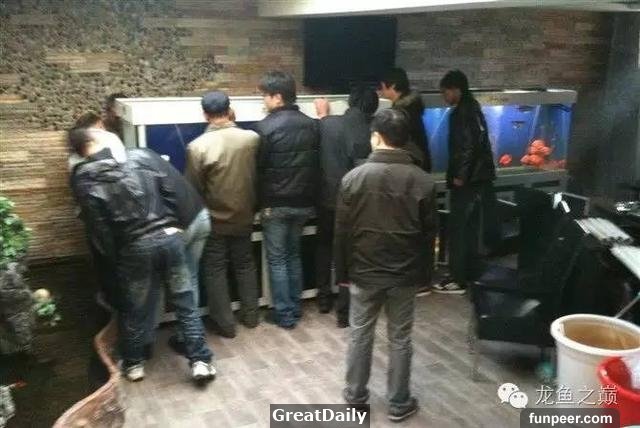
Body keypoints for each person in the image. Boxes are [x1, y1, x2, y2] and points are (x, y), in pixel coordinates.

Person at [68, 128, 215, 383]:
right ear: (94, 141)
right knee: (185, 302)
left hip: (134, 248)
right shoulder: (141, 155)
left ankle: (134, 365)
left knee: (135, 307)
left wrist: (117, 260)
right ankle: (200, 362)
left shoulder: (83, 179)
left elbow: (100, 230)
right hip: (169, 238)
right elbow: (169, 191)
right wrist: (174, 226)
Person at [335, 109, 437, 423]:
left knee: (360, 334)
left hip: (364, 272)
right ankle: (398, 402)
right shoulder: (424, 181)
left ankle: (355, 396)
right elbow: (429, 236)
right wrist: (425, 277)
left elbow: (342, 232)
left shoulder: (353, 179)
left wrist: (343, 274)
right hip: (404, 275)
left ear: (376, 137)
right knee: (400, 338)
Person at [185, 91, 260, 338]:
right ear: (229, 110)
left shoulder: (197, 147)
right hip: (245, 215)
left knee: (215, 270)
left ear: (205, 114)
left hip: (215, 219)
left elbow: (193, 188)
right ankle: (251, 316)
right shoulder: (251, 139)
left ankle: (225, 325)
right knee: (245, 264)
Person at [127, 148, 211, 354]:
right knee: (189, 280)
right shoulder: (153, 158)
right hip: (201, 217)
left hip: (178, 228)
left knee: (153, 283)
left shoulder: (127, 172)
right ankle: (187, 339)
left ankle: (145, 342)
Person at [256, 71, 320, 329]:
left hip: (276, 204)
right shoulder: (311, 124)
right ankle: (295, 306)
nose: (263, 101)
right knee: (294, 255)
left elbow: (259, 168)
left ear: (278, 97)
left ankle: (284, 314)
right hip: (304, 202)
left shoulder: (265, 127)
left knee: (278, 259)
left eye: (265, 96)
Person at [313, 85, 379, 328]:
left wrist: (323, 114)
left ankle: (323, 299)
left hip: (328, 199)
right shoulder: (374, 131)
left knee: (323, 246)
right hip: (357, 204)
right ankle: (345, 309)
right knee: (350, 254)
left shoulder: (329, 124)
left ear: (350, 102)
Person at [433, 70, 497, 295]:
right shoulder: (473, 107)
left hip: (467, 181)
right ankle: (469, 273)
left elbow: (468, 146)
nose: (444, 97)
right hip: (479, 179)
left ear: (455, 89)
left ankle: (457, 279)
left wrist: (460, 175)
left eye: (445, 92)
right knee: (470, 228)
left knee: (458, 229)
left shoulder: (463, 112)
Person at [379, 67, 431, 173]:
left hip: (410, 167)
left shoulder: (401, 113)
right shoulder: (411, 107)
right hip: (417, 165)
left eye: (382, 86)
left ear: (393, 86)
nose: (381, 90)